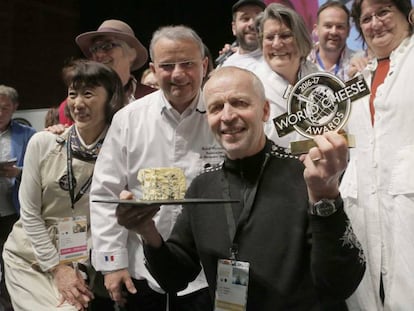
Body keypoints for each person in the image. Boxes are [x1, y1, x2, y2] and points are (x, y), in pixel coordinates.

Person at [115, 66, 366, 310]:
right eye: (216, 107)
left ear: (265, 110)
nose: (227, 116)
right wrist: (147, 231)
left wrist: (325, 196)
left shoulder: (307, 176)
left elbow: (340, 284)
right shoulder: (203, 186)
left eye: (240, 103)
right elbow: (175, 278)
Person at [89, 25, 225, 311]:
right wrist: (113, 263)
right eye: (167, 66)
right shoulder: (129, 119)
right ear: (153, 68)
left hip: (211, 270)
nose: (178, 74)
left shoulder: (224, 115)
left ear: (203, 65)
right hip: (141, 269)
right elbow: (105, 193)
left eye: (188, 63)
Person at [2, 60, 126, 311]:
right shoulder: (43, 143)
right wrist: (57, 266)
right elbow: (29, 214)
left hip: (79, 256)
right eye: (72, 94)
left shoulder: (121, 152)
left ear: (110, 98)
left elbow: (109, 219)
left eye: (88, 94)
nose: (78, 103)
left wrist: (78, 266)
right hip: (30, 257)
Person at [339, 0, 414, 310]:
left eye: (384, 12)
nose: (374, 23)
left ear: (408, 15)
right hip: (364, 212)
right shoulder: (358, 78)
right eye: (366, 18)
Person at [58, 19, 157, 125]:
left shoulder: (153, 99)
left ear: (132, 54)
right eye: (95, 48)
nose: (99, 54)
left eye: (108, 46)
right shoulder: (73, 107)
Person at [254, 3, 318, 148]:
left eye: (285, 36)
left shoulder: (320, 77)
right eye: (269, 37)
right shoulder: (251, 86)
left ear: (301, 38)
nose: (276, 44)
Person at [0, 85, 36, 310]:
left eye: (5, 108)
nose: (0, 112)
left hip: (14, 211)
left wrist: (19, 171)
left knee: (12, 263)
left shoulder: (28, 135)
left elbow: (41, 169)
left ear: (15, 107)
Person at [308, 0, 358, 82]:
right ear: (316, 30)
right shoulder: (301, 63)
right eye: (328, 26)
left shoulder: (359, 64)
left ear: (348, 31)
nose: (334, 32)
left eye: (340, 27)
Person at [217, 0, 266, 71]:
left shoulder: (276, 61)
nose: (252, 24)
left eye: (258, 19)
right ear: (234, 28)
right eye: (245, 19)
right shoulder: (225, 65)